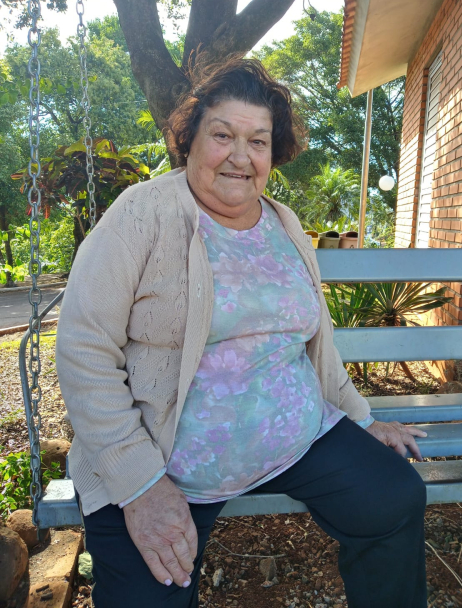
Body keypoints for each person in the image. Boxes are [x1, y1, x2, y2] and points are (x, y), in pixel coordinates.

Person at [56, 58, 428, 608]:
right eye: (222, 135)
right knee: (150, 595)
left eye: (258, 141)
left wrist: (362, 419)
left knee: (394, 497)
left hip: (297, 440)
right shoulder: (141, 215)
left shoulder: (284, 222)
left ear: (273, 154)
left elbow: (314, 342)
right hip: (163, 462)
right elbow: (83, 348)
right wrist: (137, 483)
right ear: (189, 139)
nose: (240, 156)